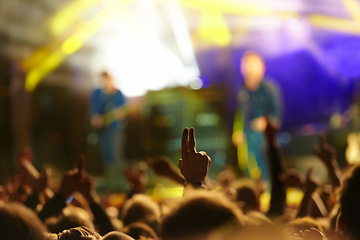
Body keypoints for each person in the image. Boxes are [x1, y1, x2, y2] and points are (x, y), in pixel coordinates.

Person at [232, 51, 281, 183]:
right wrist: (238, 131)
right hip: (247, 135)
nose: (249, 69)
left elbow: (276, 114)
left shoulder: (270, 88)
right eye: (246, 65)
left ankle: (267, 188)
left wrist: (266, 122)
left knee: (262, 161)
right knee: (245, 163)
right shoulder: (242, 90)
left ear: (262, 67)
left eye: (253, 65)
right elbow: (240, 114)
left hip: (263, 136)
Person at [90, 71, 126, 166]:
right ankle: (109, 177)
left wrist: (119, 114)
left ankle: (117, 178)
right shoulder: (97, 93)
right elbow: (94, 108)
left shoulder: (118, 94)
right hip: (102, 129)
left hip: (114, 129)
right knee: (105, 155)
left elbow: (123, 111)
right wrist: (95, 117)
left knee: (114, 154)